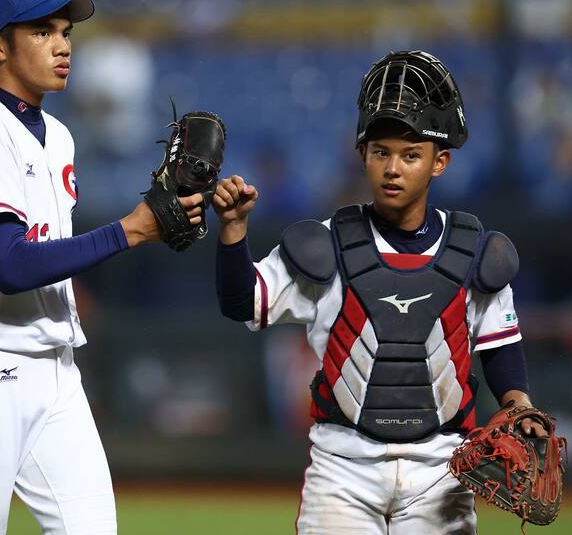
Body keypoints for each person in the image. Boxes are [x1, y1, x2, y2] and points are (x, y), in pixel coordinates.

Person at [0, 0, 202, 535]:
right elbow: (12, 265)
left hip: (56, 371)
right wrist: (130, 230)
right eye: (42, 31)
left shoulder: (60, 135)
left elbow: (49, 254)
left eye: (66, 32)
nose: (63, 45)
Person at [212, 50, 546, 534]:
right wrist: (233, 231)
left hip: (442, 470)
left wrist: (518, 404)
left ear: (439, 162)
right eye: (381, 152)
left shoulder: (476, 253)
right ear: (362, 154)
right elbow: (243, 303)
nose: (393, 168)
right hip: (343, 467)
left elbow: (501, 347)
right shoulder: (324, 245)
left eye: (410, 155)